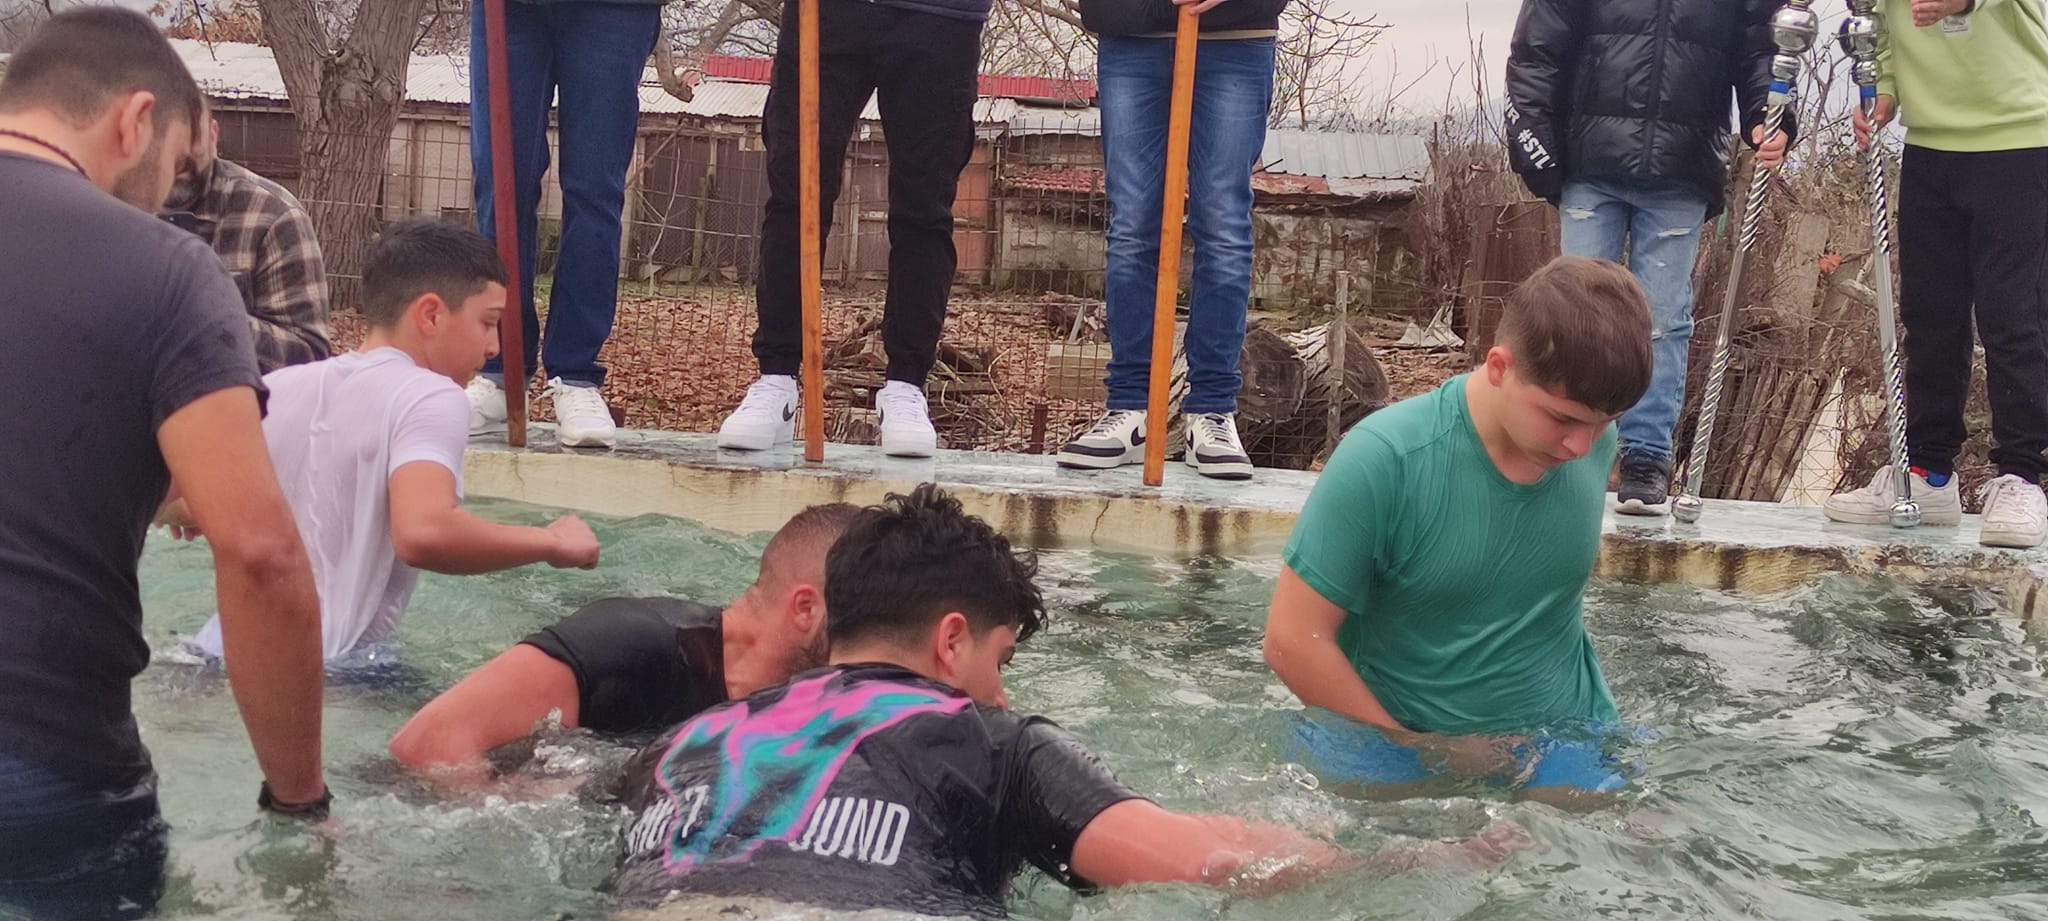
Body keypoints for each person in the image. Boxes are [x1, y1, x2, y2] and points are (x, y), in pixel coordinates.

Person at [612, 484, 1524, 917]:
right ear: (951, 639)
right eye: (999, 657)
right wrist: (1415, 859)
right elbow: (1206, 858)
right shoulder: (990, 743)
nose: (1001, 690)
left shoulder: (682, 744)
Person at [0, 9, 327, 917]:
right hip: (43, 762)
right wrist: (299, 799)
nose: (170, 195)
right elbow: (259, 553)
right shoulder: (166, 270)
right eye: (178, 166)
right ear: (135, 120)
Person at [1262, 257, 1652, 799]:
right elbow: (1291, 641)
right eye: (1562, 418)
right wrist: (1427, 750)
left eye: (1604, 421)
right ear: (1498, 367)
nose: (1582, 447)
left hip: (1568, 742)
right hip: (1397, 747)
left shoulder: (1587, 441)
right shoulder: (1384, 460)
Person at [176, 218, 601, 665]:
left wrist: (190, 511)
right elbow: (423, 533)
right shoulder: (430, 395)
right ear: (431, 315)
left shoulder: (279, 387)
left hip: (212, 654)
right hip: (332, 668)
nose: (494, 347)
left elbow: (178, 500)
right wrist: (550, 542)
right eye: (488, 322)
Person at [1504, 0, 1794, 516]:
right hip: (1589, 160)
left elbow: (1763, 46)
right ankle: (1564, 451)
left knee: (1661, 320)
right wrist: (1534, 143)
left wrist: (1770, 116)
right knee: (1572, 317)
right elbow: (1537, 49)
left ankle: (1645, 456)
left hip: (1683, 165)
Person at [388, 502, 859, 777]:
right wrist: (531, 799)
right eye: (868, 620)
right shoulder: (636, 642)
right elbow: (429, 744)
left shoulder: (800, 710)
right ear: (806, 609)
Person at [714, 0, 991, 459]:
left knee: (925, 209)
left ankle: (906, 387)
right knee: (796, 195)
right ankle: (777, 379)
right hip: (827, 12)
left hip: (941, 15)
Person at [1822, 0, 2048, 548]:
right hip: (1928, 143)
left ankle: (2021, 476)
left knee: (2012, 314)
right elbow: (1879, 27)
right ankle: (1928, 472)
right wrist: (1886, 88)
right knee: (1929, 316)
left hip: (2021, 137)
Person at [1058, 0, 1287, 481]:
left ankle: (1212, 411)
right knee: (1133, 224)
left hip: (1236, 40)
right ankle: (1130, 409)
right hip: (1133, 40)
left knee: (1223, 224)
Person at [462, 0, 665, 450]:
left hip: (614, 9)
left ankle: (575, 375)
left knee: (595, 189)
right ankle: (500, 371)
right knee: (501, 182)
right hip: (509, 9)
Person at [161, 95, 333, 373]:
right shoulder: (108, 204)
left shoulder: (273, 214)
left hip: (234, 395)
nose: (178, 162)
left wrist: (207, 317)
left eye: (191, 142)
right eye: (162, 145)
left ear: (213, 135)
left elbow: (309, 356)